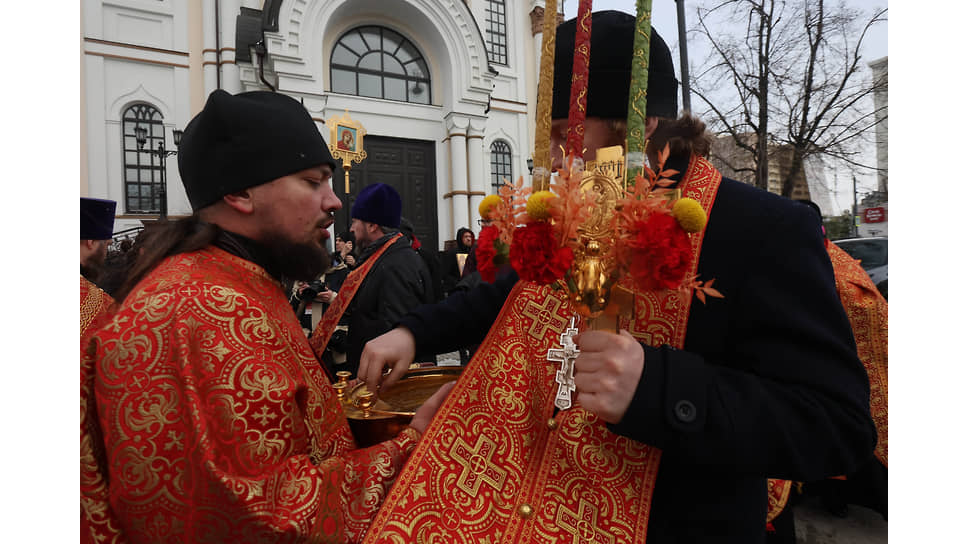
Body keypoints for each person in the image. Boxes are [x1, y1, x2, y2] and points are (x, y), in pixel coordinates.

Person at [358, 11, 875, 544]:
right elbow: (513, 295)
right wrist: (415, 331)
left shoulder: (763, 228)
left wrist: (657, 387)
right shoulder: (587, 210)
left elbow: (835, 426)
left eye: (565, 135)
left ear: (641, 126)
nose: (557, 160)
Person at [82, 89, 451, 543]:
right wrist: (412, 441)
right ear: (240, 192)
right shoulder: (194, 310)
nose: (334, 202)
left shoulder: (239, 279)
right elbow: (255, 517)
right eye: (313, 181)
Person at [310, 183, 434, 379]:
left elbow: (395, 334)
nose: (351, 229)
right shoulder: (380, 258)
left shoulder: (396, 264)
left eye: (355, 222)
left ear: (372, 225)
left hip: (384, 388)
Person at [440, 227, 474, 296]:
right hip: (457, 290)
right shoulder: (452, 254)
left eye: (470, 236)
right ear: (460, 238)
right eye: (466, 237)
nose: (469, 239)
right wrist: (458, 283)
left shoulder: (474, 253)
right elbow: (445, 274)